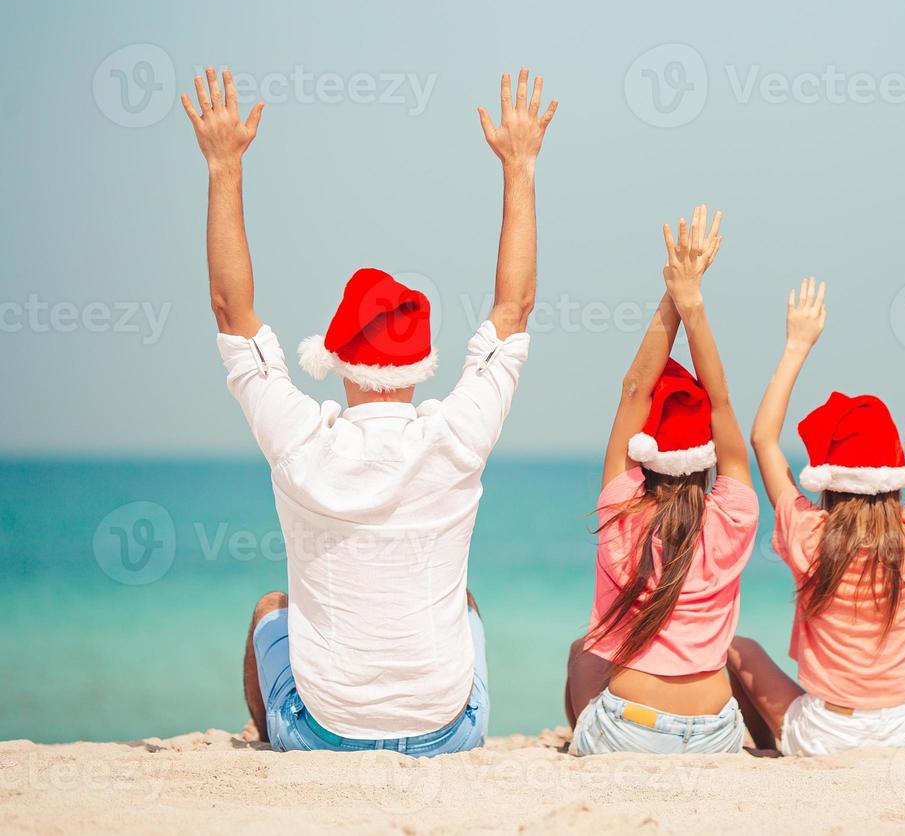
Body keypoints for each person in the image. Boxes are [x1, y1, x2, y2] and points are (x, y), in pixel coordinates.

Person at [183, 66, 557, 756]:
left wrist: (224, 165)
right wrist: (521, 166)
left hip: (322, 732)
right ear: (423, 362)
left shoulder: (300, 439)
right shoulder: (457, 436)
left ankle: (275, 738)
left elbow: (230, 314)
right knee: (465, 608)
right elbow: (515, 310)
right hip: (449, 733)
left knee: (271, 611)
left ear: (335, 359)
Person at [727, 277, 905, 756]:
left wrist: (796, 346)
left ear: (827, 478)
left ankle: (770, 748)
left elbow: (763, 437)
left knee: (738, 647)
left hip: (828, 735)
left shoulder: (808, 534)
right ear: (893, 474)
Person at [563, 206, 759, 756]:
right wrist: (694, 303)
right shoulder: (735, 515)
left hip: (631, 729)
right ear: (708, 455)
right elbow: (721, 404)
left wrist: (671, 298)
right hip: (718, 734)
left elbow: (634, 392)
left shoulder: (623, 510)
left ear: (642, 454)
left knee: (584, 652)